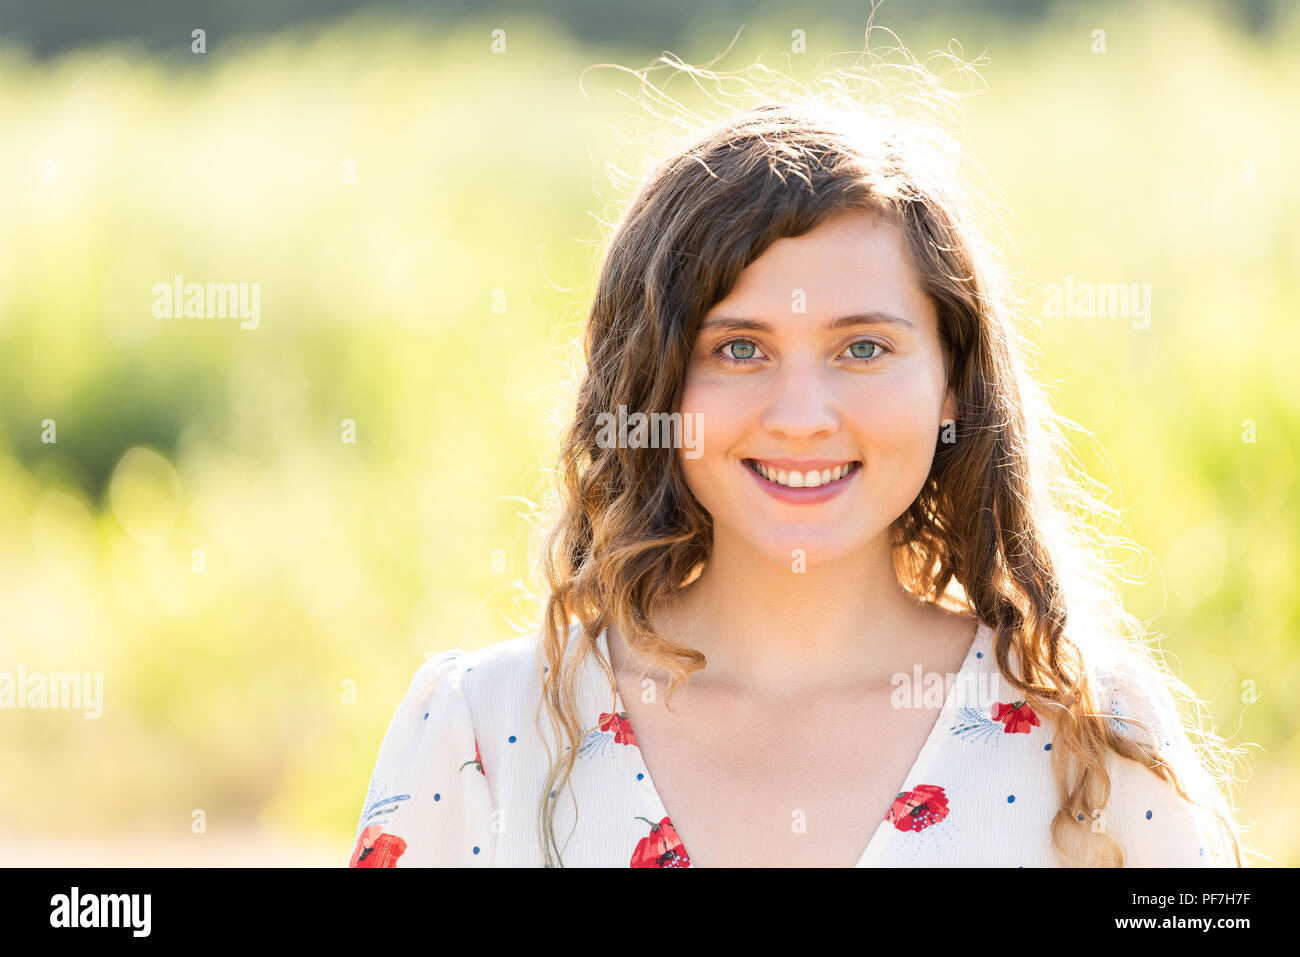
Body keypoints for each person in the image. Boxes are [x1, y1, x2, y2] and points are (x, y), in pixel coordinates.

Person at [348, 87, 1245, 868]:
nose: (803, 413)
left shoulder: (1091, 734)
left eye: (864, 347)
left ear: (951, 385)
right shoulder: (482, 734)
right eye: (740, 348)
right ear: (654, 385)